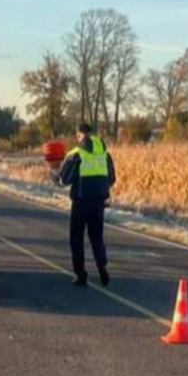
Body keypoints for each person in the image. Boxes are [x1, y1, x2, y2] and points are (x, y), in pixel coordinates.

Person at [52, 123, 116, 286]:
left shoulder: (76, 154)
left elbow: (64, 180)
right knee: (97, 237)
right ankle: (102, 269)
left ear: (80, 135)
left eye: (78, 136)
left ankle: (81, 275)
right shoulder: (104, 153)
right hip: (99, 203)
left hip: (81, 203)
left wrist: (54, 175)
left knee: (76, 238)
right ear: (92, 134)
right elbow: (111, 179)